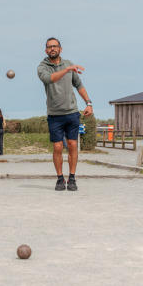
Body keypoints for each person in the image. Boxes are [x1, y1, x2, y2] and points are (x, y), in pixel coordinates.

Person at [37, 37, 93, 191]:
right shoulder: (43, 67)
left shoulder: (69, 63)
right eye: (49, 47)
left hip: (72, 112)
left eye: (55, 46)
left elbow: (79, 85)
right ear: (46, 50)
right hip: (55, 114)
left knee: (73, 144)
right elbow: (49, 79)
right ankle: (60, 179)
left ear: (60, 49)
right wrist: (67, 70)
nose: (52, 49)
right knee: (57, 147)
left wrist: (88, 103)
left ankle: (72, 178)